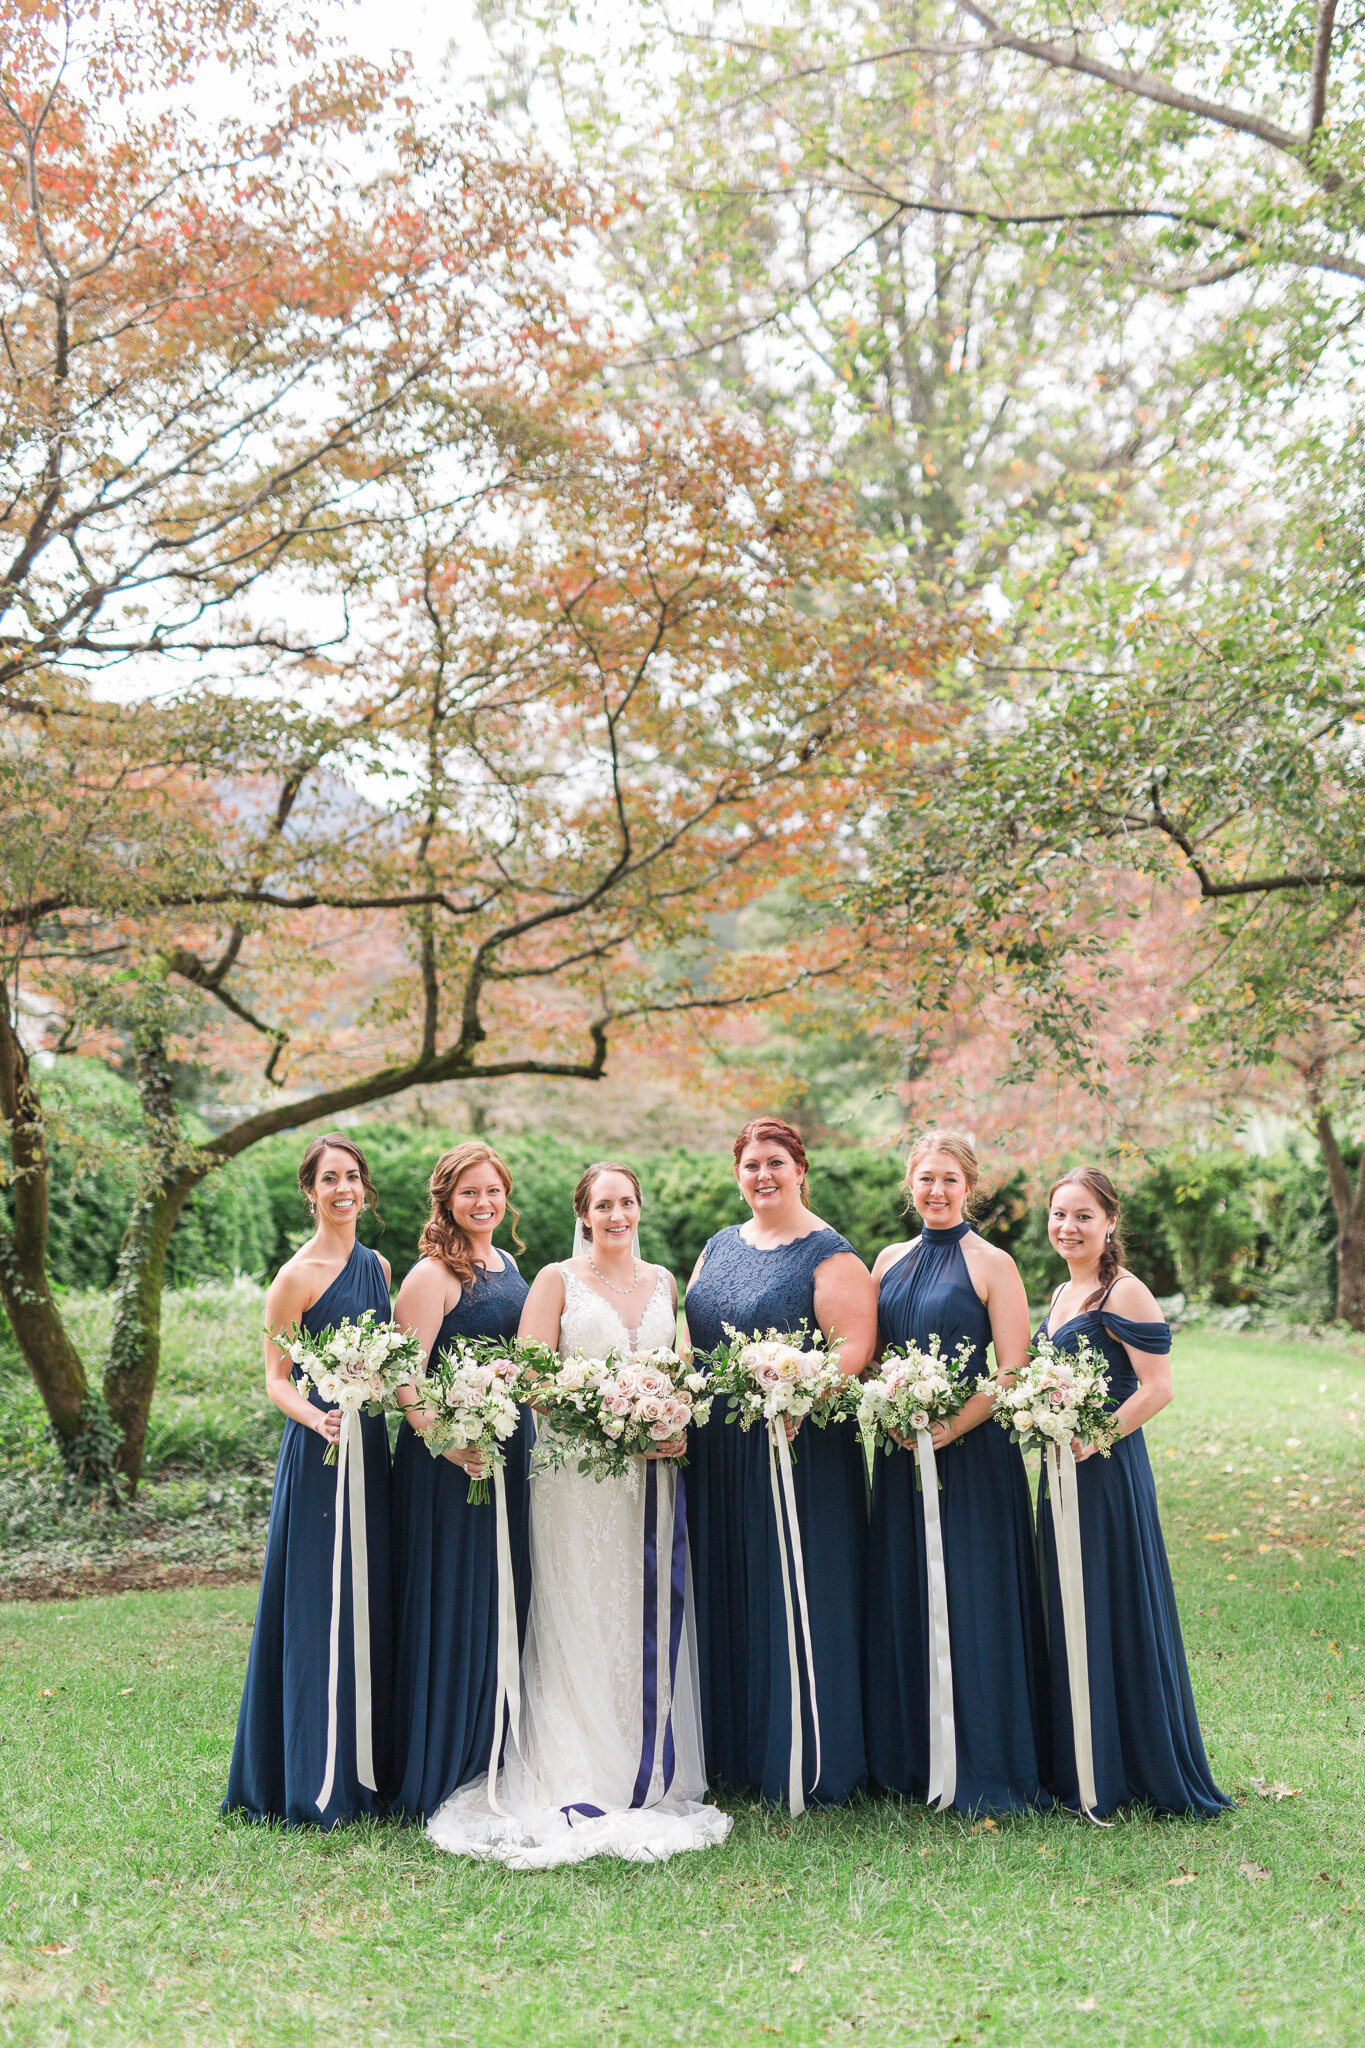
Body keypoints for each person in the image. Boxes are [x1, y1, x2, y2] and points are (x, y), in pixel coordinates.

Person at [425, 1163, 732, 1868]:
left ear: (638, 1208)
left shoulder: (662, 1281)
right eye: (603, 1204)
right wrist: (605, 1414)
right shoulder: (556, 1281)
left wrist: (674, 1417)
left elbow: (681, 1367)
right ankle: (573, 1765)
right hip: (573, 1476)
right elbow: (530, 1376)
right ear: (583, 1213)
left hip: (648, 1476)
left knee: (639, 1607)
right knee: (580, 1608)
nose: (616, 1214)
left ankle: (643, 1759)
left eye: (626, 1201)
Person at [682, 1118, 877, 1808]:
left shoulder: (831, 1256)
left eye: (774, 1163)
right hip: (713, 1451)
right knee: (721, 1585)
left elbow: (852, 1348)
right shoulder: (717, 1245)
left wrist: (799, 1395)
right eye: (750, 1165)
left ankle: (803, 1754)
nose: (761, 1175)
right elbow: (689, 1336)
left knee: (788, 1590)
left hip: (795, 1449)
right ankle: (729, 1752)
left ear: (800, 1168)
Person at [866, 1130, 1051, 1815]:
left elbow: (1011, 1369)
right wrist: (887, 1406)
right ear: (908, 1184)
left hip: (972, 1458)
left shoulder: (993, 1263)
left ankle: (985, 1756)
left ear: (968, 1186)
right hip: (897, 1455)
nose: (936, 1192)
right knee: (905, 1586)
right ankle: (909, 1758)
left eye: (949, 1180)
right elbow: (872, 1354)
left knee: (974, 1596)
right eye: (925, 1179)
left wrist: (948, 1428)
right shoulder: (885, 1260)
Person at [1038, 1169, 1230, 1818]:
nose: (1067, 1227)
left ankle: (1129, 1764)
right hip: (1058, 1469)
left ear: (1109, 1222)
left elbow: (1156, 1387)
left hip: (1105, 1469)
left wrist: (1094, 1436)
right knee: (1070, 1604)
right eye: (1059, 1214)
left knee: (1110, 1600)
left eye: (1083, 1216)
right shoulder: (1063, 1293)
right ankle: (1083, 1760)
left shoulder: (1123, 1291)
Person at [223, 1133, 394, 1828]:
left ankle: (371, 1768)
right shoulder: (294, 1277)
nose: (343, 1189)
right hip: (321, 1455)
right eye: (330, 1179)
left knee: (368, 1600)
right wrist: (318, 1417)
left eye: (352, 1177)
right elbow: (274, 1379)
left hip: (373, 1447)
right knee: (317, 1605)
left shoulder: (378, 1265)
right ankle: (308, 1773)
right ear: (310, 1190)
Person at [389, 1143, 533, 1823]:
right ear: (445, 1199)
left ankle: (498, 1744)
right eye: (469, 1193)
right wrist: (446, 1442)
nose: (483, 1203)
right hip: (453, 1468)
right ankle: (448, 1757)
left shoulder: (508, 1266)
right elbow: (404, 1377)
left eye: (493, 1191)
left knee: (508, 1592)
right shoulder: (432, 1275)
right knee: (459, 1600)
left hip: (509, 1449)